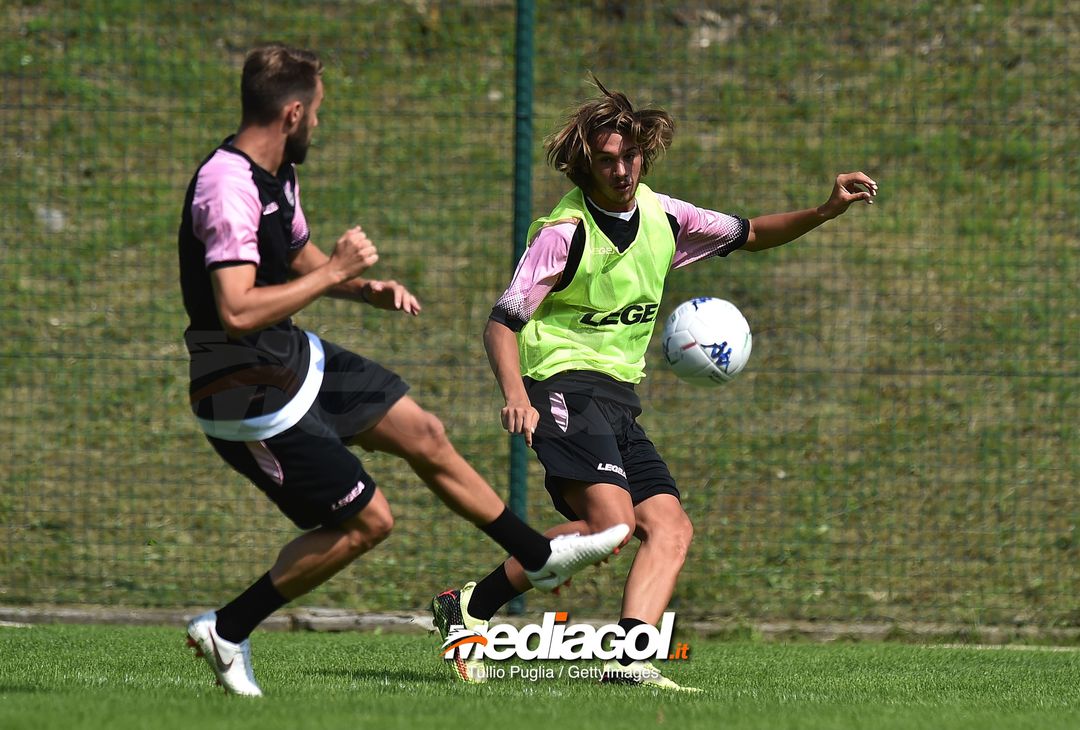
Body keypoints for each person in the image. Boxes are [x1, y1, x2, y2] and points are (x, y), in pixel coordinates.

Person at [177, 46, 628, 697]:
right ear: (293, 113)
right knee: (369, 522)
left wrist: (361, 288)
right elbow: (236, 308)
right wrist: (336, 272)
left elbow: (297, 254)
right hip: (244, 393)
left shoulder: (275, 173)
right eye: (317, 113)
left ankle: (537, 558)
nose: (318, 125)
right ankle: (228, 627)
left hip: (291, 357)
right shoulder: (227, 187)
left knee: (425, 433)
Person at [431, 77, 877, 691]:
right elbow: (502, 323)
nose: (621, 171)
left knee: (670, 528)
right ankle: (471, 608)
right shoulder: (564, 234)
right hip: (561, 383)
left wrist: (823, 211)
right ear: (585, 165)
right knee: (611, 527)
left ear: (645, 154)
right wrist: (514, 395)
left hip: (617, 396)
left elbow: (750, 232)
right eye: (607, 161)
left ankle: (627, 660)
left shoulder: (665, 216)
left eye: (631, 157)